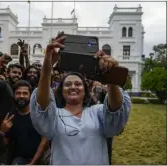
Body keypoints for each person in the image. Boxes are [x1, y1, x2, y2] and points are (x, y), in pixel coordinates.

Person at [29, 33, 132, 164]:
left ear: (86, 90)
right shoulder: (55, 115)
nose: (73, 86)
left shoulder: (97, 112)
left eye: (78, 84)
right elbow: (42, 103)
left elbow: (116, 111)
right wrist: (48, 62)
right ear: (61, 91)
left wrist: (111, 74)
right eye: (67, 84)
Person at [0, 80, 48, 165]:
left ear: (30, 96)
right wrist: (3, 132)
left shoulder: (39, 114)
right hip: (19, 159)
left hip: (41, 158)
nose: (21, 96)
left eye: (25, 93)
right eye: (18, 93)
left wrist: (33, 162)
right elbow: (4, 146)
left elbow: (44, 141)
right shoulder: (10, 117)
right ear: (14, 95)